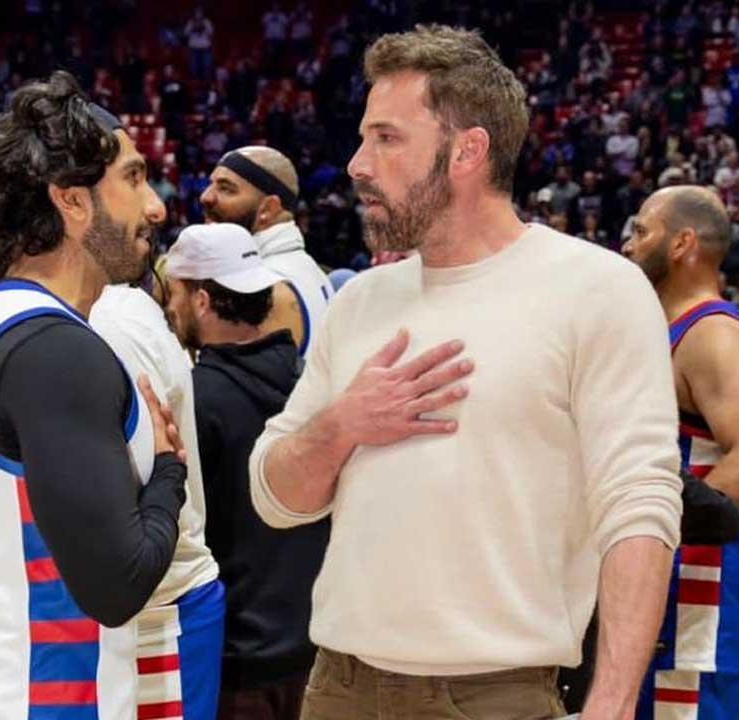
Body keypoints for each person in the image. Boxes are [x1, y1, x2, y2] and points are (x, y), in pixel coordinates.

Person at [251, 26, 683, 718]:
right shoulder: (361, 301)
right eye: (365, 138)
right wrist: (342, 426)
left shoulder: (596, 289)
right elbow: (275, 497)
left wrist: (612, 704)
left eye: (387, 139)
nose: (358, 163)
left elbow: (640, 507)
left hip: (498, 695)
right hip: (338, 687)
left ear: (468, 151)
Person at [0, 73, 188, 720]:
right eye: (135, 178)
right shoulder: (55, 352)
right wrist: (170, 473)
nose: (156, 207)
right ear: (73, 202)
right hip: (43, 698)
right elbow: (116, 585)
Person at [622, 185, 739, 719]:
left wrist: (655, 547)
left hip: (695, 599)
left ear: (681, 242)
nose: (629, 244)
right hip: (659, 600)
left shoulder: (714, 332)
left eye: (642, 231)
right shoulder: (664, 328)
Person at [163, 223, 329, 720]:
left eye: (174, 293)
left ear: (202, 301)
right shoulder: (311, 383)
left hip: (239, 655)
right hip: (316, 646)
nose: (170, 308)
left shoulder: (197, 400)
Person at [90, 278, 225, 719]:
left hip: (157, 610)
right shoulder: (124, 310)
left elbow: (144, 501)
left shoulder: (112, 325)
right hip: (147, 604)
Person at [200, 146, 334, 356]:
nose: (206, 197)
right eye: (211, 185)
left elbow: (227, 387)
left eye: (226, 189)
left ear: (268, 209)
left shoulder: (265, 287)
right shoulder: (308, 270)